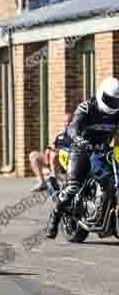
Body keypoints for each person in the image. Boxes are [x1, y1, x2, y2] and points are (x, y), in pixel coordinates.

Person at [46, 78, 119, 239]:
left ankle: (104, 211)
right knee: (73, 186)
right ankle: (54, 218)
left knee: (111, 178)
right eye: (110, 99)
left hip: (103, 151)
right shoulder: (87, 107)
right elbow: (74, 126)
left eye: (116, 100)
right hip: (81, 150)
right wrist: (78, 138)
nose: (113, 103)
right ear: (101, 94)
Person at [28, 113, 72, 192]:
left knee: (54, 155)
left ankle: (54, 180)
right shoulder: (60, 136)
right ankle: (42, 182)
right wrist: (49, 149)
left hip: (66, 161)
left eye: (69, 122)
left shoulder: (76, 136)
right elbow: (52, 146)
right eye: (65, 122)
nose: (67, 124)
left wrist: (58, 151)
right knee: (33, 155)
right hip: (54, 160)